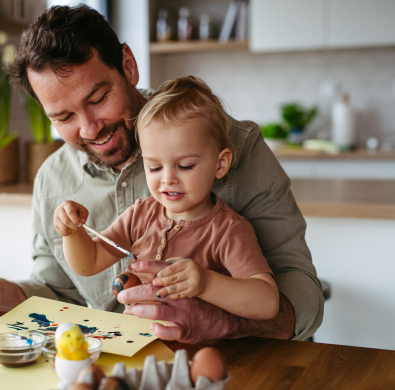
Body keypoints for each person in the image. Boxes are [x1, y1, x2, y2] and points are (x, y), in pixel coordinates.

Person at [0, 4, 324, 343]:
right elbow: (61, 293)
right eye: (64, 117)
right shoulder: (53, 179)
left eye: (98, 99)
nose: (89, 128)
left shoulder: (233, 147)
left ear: (128, 65)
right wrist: (2, 294)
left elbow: (305, 300)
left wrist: (218, 321)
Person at [54, 76, 280, 322]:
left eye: (185, 166)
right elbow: (89, 262)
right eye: (154, 168)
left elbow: (267, 302)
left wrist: (206, 283)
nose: (168, 179)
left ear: (220, 164)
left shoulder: (228, 231)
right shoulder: (140, 215)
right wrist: (72, 233)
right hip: (138, 348)